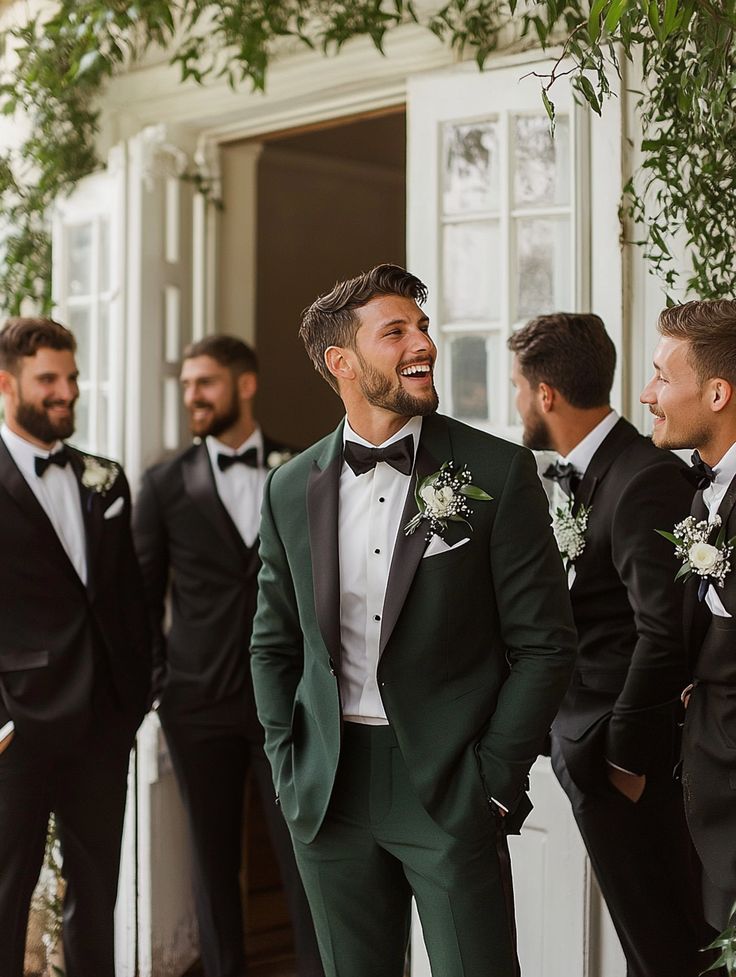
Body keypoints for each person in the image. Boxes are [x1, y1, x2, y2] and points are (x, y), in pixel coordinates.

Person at [250, 264, 577, 977]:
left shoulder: (496, 468)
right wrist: (287, 764)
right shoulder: (287, 486)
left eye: (422, 326)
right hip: (329, 787)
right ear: (342, 361)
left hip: (449, 781)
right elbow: (273, 645)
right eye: (395, 331)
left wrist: (492, 780)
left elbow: (546, 645)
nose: (421, 341)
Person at [508, 312, 712, 976]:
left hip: (627, 762)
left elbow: (665, 629)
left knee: (665, 944)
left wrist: (623, 756)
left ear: (545, 394)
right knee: (643, 940)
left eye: (516, 387)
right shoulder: (588, 473)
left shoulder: (642, 477)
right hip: (589, 748)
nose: (515, 403)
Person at [133, 335, 322, 977]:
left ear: (245, 385)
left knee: (303, 852)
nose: (191, 396)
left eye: (204, 383)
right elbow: (141, 593)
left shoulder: (305, 468)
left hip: (289, 704)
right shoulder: (161, 483)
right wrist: (163, 684)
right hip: (198, 704)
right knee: (211, 862)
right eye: (186, 385)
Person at [0, 316, 150, 977]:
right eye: (49, 379)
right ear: (6, 383)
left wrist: (136, 695)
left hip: (101, 722)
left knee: (98, 893)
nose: (68, 391)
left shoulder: (105, 478)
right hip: (17, 727)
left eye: (73, 377)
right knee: (5, 892)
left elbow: (128, 600)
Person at [640, 299, 736, 931]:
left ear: (718, 392)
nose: (648, 394)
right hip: (708, 788)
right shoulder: (700, 489)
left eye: (663, 377)